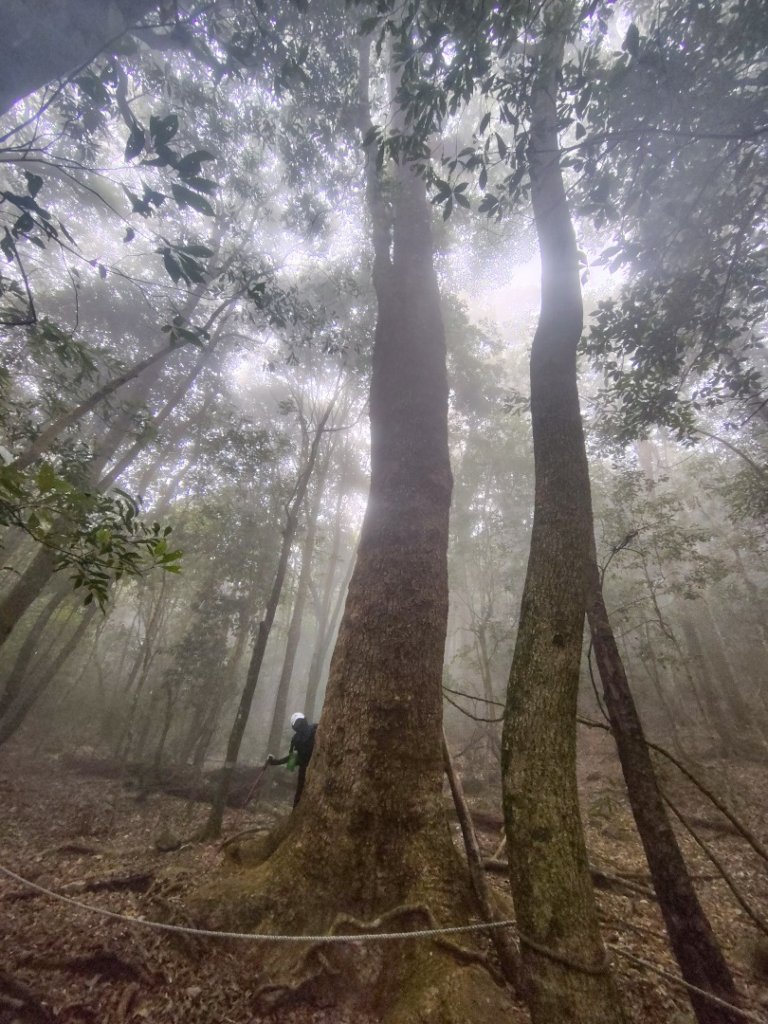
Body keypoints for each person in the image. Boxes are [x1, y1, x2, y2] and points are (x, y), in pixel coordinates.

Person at [267, 712, 317, 807]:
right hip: (315, 766)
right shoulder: (315, 728)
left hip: (305, 768)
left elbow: (291, 761)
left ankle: (296, 807)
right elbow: (292, 761)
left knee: (299, 794)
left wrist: (274, 762)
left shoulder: (296, 739)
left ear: (294, 727)